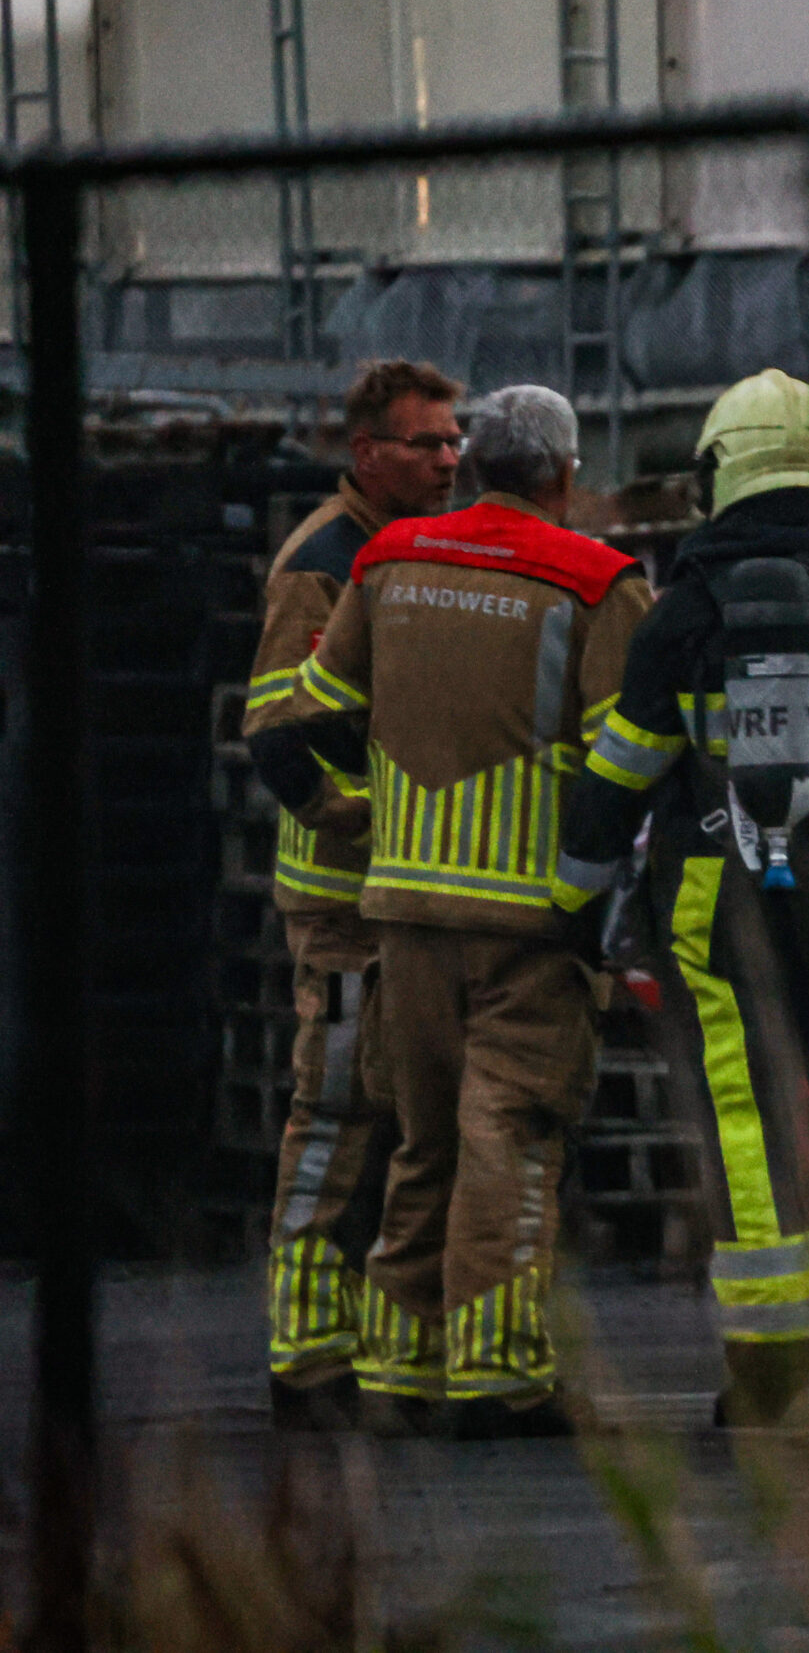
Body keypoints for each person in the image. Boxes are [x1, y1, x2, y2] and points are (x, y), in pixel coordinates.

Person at [552, 369, 809, 1426]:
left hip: (711, 901)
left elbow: (620, 780)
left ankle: (770, 1377)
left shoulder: (681, 610)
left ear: (722, 472)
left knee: (745, 1116)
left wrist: (571, 907)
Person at [251, 386, 651, 1439]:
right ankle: (500, 1375)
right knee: (509, 1141)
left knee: (421, 1142)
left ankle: (395, 1368)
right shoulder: (598, 583)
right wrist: (600, 899)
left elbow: (297, 725)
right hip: (530, 919)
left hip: (399, 910)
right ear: (562, 474)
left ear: (473, 464)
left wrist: (356, 814)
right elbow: (629, 764)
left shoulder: (385, 567)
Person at [245, 358, 465, 1431]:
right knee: (334, 1118)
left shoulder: (408, 554)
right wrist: (366, 811)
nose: (447, 458)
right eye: (425, 443)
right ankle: (305, 1350)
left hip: (405, 903)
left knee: (403, 1120)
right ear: (366, 451)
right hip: (343, 909)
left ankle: (372, 1341)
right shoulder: (321, 564)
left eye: (453, 439)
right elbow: (276, 733)